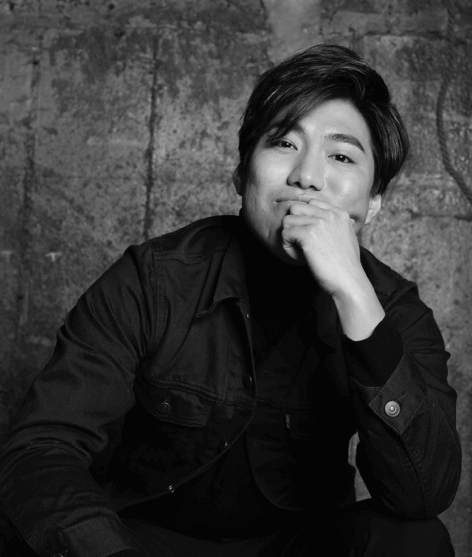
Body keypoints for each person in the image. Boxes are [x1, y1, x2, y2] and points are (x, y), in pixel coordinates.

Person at [0, 44, 461, 557]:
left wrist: (354, 296)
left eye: (341, 156)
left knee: (415, 540)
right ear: (242, 174)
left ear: (373, 202)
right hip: (144, 542)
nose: (307, 177)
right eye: (284, 143)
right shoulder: (153, 279)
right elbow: (41, 448)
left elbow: (423, 493)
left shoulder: (393, 308)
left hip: (298, 546)